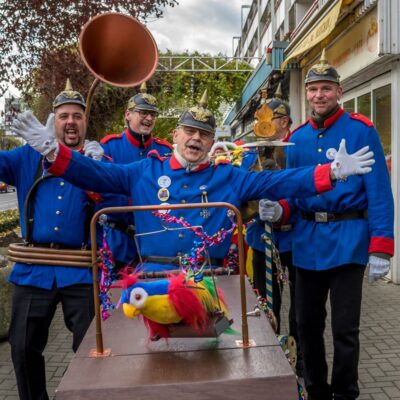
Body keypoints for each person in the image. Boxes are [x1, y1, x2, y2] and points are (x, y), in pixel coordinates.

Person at [12, 91, 374, 277]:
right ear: (175, 135)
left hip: (211, 280)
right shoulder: (143, 171)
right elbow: (94, 174)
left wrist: (331, 173)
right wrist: (54, 151)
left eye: (204, 134)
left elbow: (278, 180)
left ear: (212, 141)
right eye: (189, 131)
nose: (195, 139)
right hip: (152, 279)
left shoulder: (228, 176)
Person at [274, 50, 394, 399]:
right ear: (307, 93)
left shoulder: (361, 130)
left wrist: (381, 247)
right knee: (306, 326)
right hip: (307, 242)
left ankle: (345, 393)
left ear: (339, 92)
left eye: (326, 88)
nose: (319, 95)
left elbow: (379, 192)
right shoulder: (296, 138)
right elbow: (291, 191)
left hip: (348, 241)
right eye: (313, 89)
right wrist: (279, 211)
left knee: (345, 330)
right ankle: (316, 390)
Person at [4, 79, 105, 400]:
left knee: (91, 348)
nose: (70, 122)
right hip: (33, 269)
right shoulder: (27, 156)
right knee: (22, 346)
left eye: (77, 116)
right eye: (63, 116)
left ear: (85, 121)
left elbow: (114, 197)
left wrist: (97, 167)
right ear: (53, 120)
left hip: (80, 270)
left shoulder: (94, 160)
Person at [244, 96, 300, 372]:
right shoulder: (249, 153)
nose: (262, 125)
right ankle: (269, 361)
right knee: (267, 305)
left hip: (296, 239)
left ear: (285, 122)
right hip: (262, 239)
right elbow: (242, 193)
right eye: (259, 120)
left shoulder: (296, 150)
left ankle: (299, 360)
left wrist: (283, 208)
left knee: (301, 308)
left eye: (270, 120)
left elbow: (304, 187)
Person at [99, 82, 173, 267]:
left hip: (155, 240)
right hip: (117, 242)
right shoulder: (109, 146)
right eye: (143, 113)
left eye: (153, 114)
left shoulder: (165, 150)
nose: (149, 118)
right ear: (128, 115)